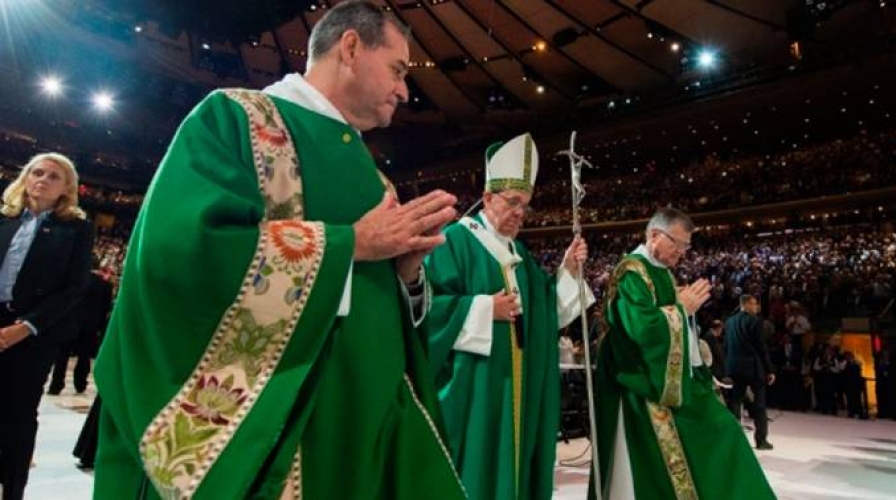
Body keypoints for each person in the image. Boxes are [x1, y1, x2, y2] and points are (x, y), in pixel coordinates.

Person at [93, 2, 465, 498]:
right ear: (350, 47)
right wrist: (350, 243)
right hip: (285, 420)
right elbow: (183, 252)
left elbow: (382, 314)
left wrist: (406, 276)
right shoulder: (238, 118)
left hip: (366, 418)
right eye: (398, 70)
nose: (403, 91)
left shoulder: (376, 177)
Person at [422, 133, 594, 500]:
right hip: (477, 391)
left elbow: (546, 309)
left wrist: (567, 270)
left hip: (517, 388)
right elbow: (425, 309)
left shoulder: (520, 253)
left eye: (526, 205)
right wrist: (483, 309)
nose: (520, 212)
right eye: (513, 202)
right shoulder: (455, 240)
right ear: (487, 198)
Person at [591, 208, 774, 499]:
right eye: (677, 243)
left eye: (686, 246)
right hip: (645, 385)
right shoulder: (630, 272)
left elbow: (666, 316)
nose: (682, 252)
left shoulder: (661, 271)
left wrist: (683, 311)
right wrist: (681, 310)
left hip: (671, 379)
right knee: (712, 437)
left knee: (724, 432)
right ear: (653, 235)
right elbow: (641, 329)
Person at [0, 153, 94, 500]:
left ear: (66, 188)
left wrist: (24, 327)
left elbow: (75, 287)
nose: (42, 179)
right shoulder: (3, 218)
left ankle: (11, 492)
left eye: (53, 176)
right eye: (36, 172)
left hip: (33, 333)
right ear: (24, 177)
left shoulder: (76, 228)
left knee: (18, 420)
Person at [47, 268, 114, 395]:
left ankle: (56, 385)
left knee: (62, 355)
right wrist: (100, 327)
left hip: (70, 322)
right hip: (90, 325)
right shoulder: (105, 285)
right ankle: (80, 384)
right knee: (84, 357)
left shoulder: (77, 279)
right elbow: (105, 308)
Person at [724, 295, 776, 450]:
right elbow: (761, 347)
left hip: (734, 367)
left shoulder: (729, 321)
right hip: (752, 368)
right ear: (746, 305)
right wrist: (769, 369)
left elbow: (726, 346)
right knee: (759, 405)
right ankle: (761, 440)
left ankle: (730, 438)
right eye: (754, 304)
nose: (756, 307)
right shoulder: (755, 321)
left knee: (734, 403)